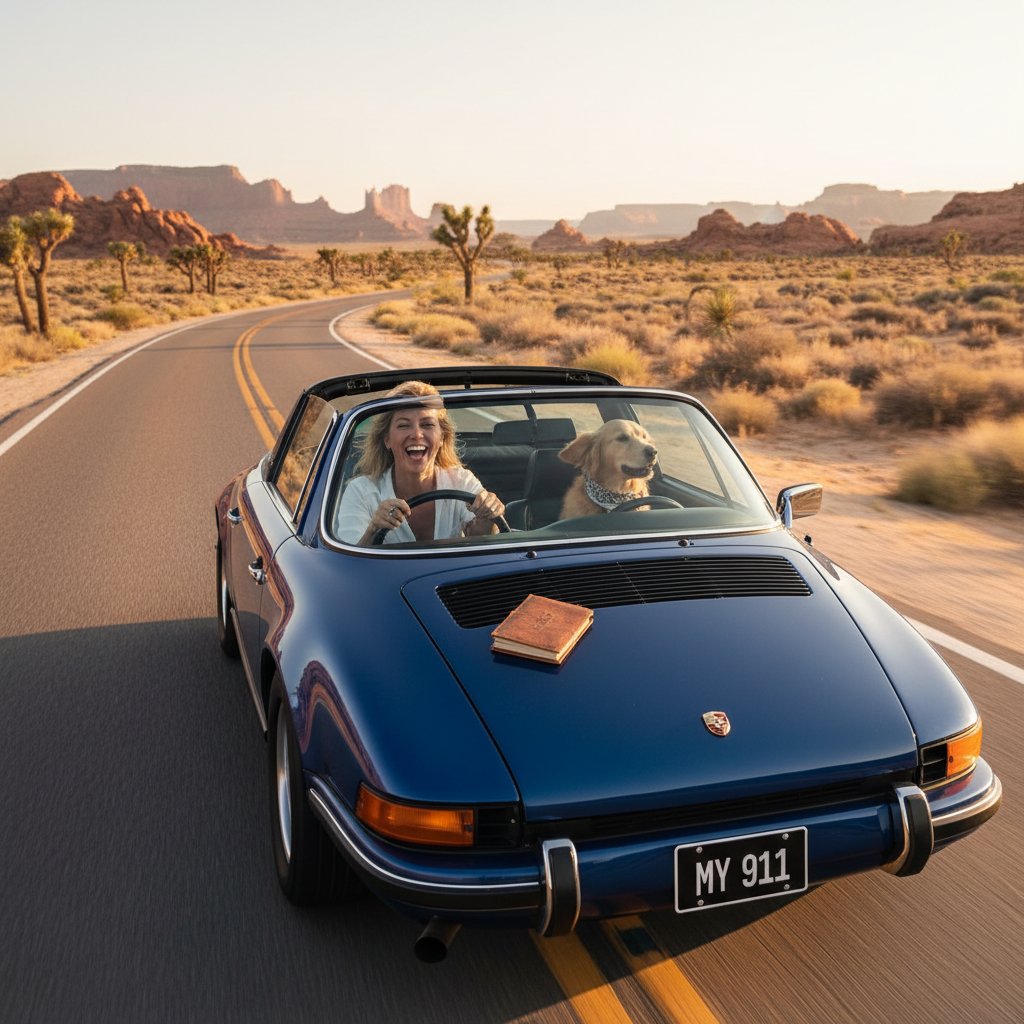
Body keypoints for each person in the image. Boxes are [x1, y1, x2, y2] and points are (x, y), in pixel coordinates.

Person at [334, 381, 505, 546]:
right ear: (387, 439)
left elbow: (481, 539)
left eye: (427, 424)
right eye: (403, 425)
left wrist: (487, 514)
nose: (416, 434)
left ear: (442, 438)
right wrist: (374, 529)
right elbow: (348, 564)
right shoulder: (360, 491)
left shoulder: (461, 480)